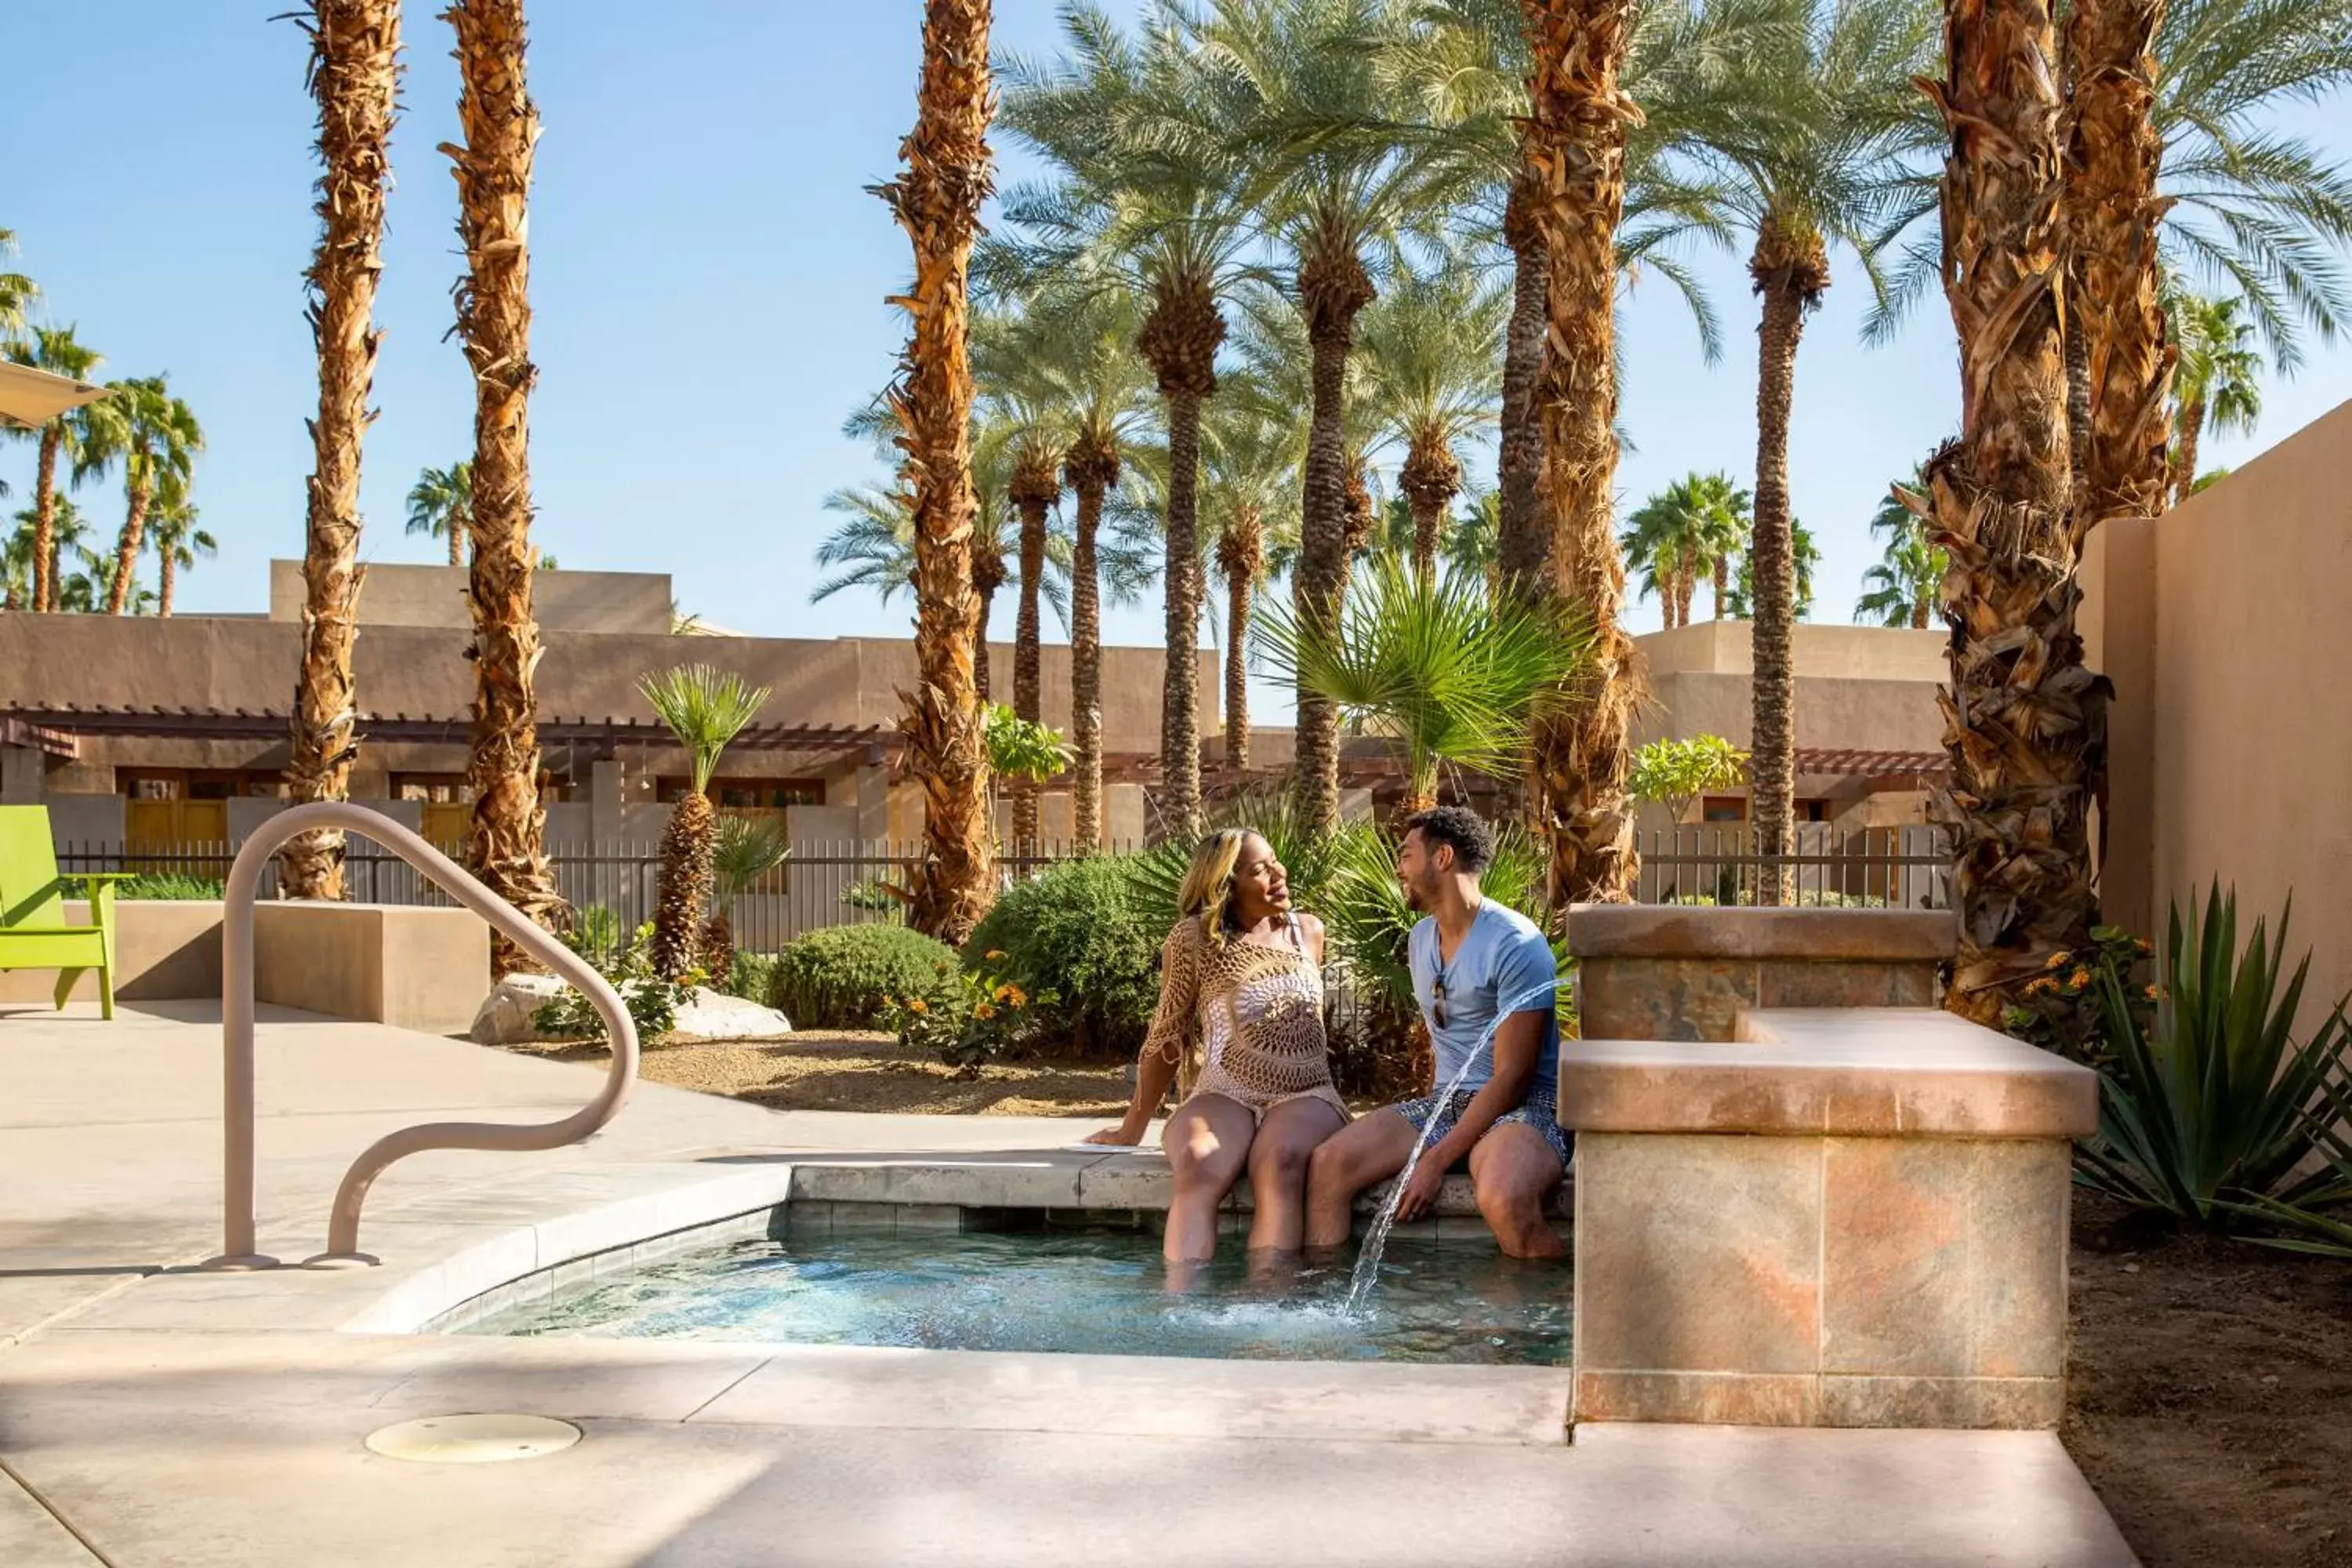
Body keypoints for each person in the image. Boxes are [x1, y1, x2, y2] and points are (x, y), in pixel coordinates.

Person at [1305, 805, 1568, 1259]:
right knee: (1329, 1165)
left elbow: (1513, 1076)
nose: (1398, 868)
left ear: (1442, 857)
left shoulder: (1516, 944)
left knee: (1504, 1198)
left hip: (1526, 1108)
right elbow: (1447, 1040)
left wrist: (1435, 1159)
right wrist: (1430, 1133)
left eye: (1406, 855)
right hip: (1447, 1104)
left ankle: (1547, 1321)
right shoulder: (1420, 939)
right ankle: (1326, 1305)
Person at [1086, 829, 1348, 1264]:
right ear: (1227, 886)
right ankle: (1182, 1309)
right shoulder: (1193, 940)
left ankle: (1265, 1310)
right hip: (1224, 1090)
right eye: (1260, 869)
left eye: (1275, 860)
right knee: (1196, 1159)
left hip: (1307, 1091)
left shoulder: (1310, 932)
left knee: (1279, 1162)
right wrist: (1132, 1127)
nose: (1279, 873)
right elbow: (1166, 1036)